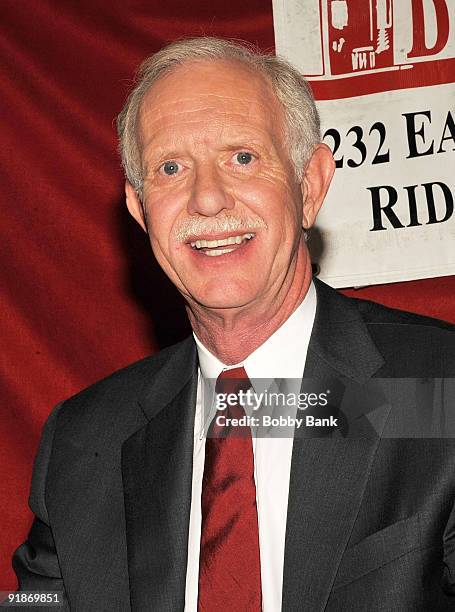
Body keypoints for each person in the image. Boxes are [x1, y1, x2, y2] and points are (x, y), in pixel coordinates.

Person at [12, 37, 455, 611]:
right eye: (171, 168)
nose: (207, 199)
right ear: (140, 209)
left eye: (242, 158)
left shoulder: (434, 393)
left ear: (310, 184)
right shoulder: (86, 439)